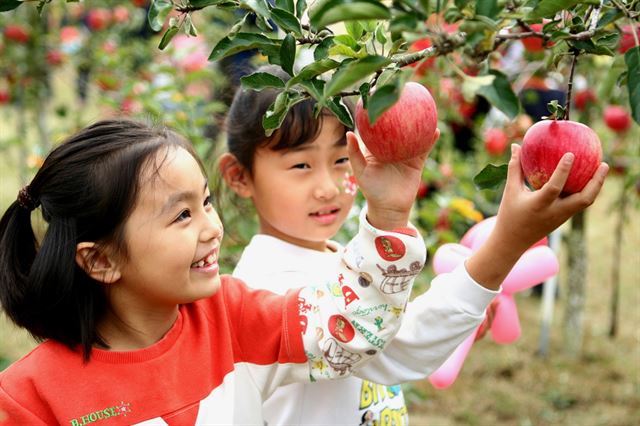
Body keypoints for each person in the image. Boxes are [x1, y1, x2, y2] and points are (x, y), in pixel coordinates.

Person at [218, 65, 609, 425]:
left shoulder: (334, 257)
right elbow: (395, 345)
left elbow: (389, 329)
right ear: (239, 177)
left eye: (341, 161)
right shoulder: (267, 286)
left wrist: (463, 311)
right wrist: (504, 246)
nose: (328, 187)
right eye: (301, 165)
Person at [0, 118, 430, 424]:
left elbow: (346, 330)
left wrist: (389, 215)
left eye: (205, 202)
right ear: (100, 261)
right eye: (182, 216)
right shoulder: (30, 400)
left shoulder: (231, 316)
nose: (212, 228)